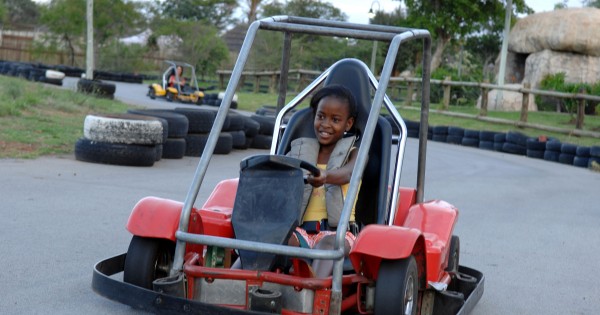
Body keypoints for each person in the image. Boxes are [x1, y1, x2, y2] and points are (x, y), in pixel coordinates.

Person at [286, 84, 360, 277]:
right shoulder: (299, 153)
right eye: (321, 117)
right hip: (301, 231)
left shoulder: (355, 154)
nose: (326, 124)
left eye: (335, 120)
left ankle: (311, 296)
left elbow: (349, 173)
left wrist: (325, 177)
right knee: (272, 239)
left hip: (337, 233)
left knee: (327, 245)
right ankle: (233, 285)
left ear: (348, 124)